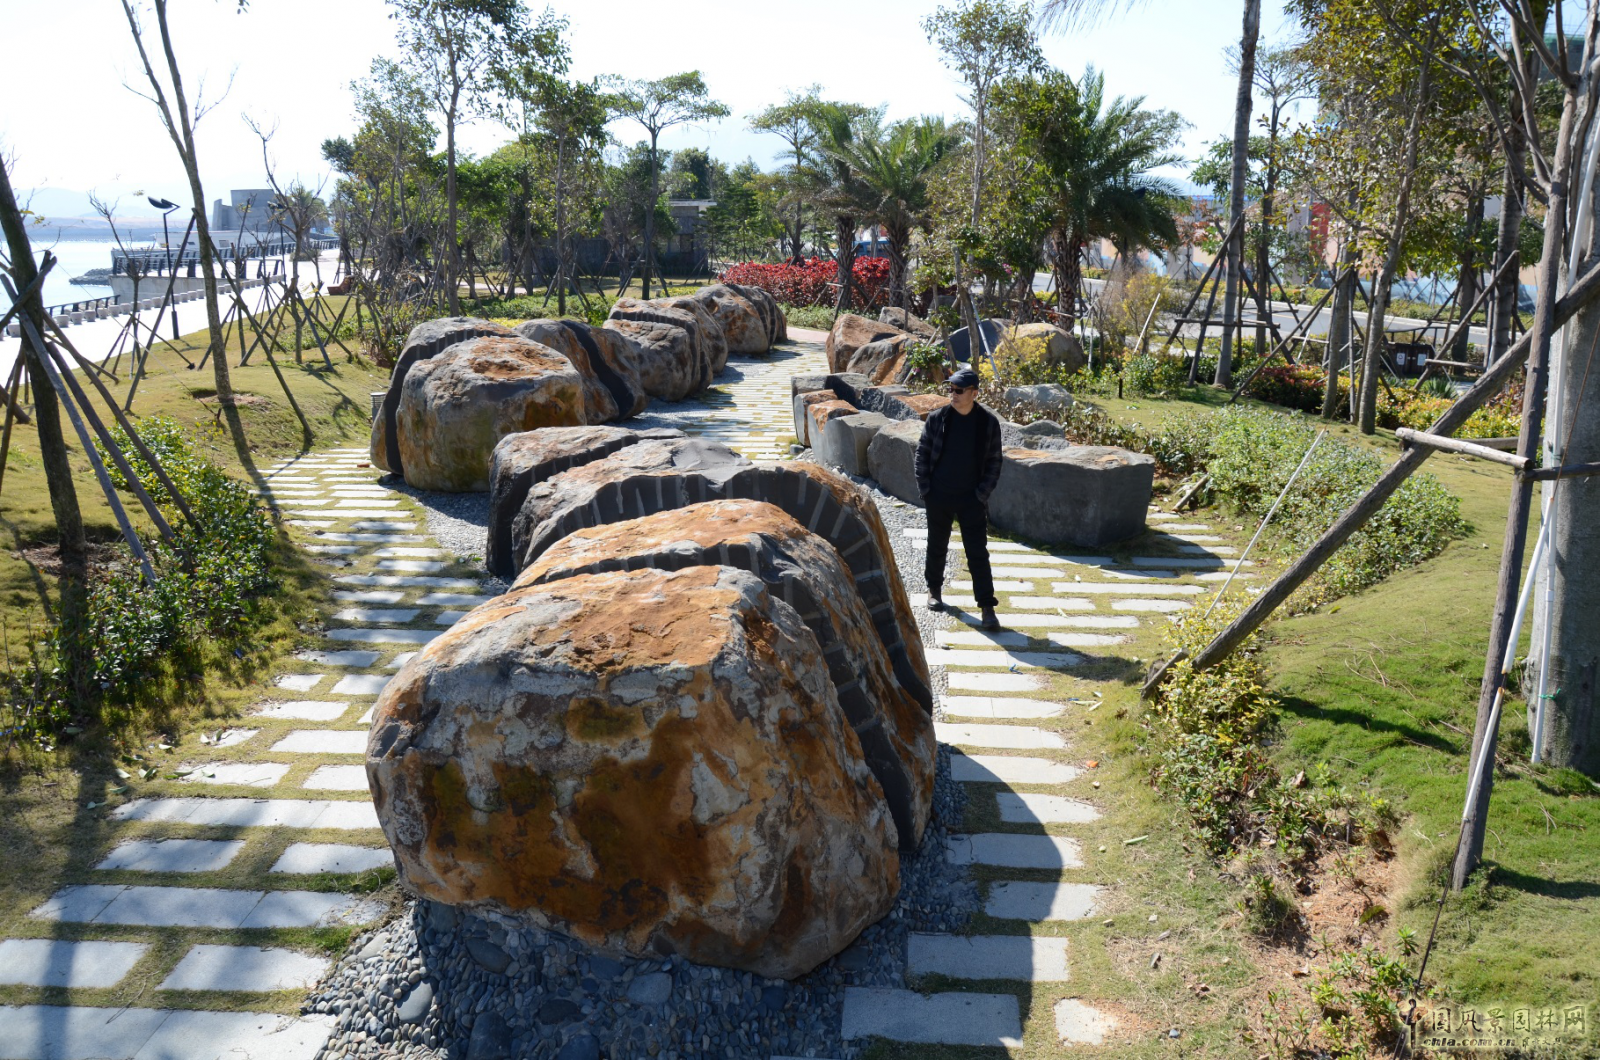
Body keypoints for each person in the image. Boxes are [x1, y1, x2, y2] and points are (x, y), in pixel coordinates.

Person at [914, 367, 1003, 631]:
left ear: (974, 393)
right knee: (936, 545)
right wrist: (926, 490)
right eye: (950, 389)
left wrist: (980, 495)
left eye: (959, 390)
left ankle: (987, 607)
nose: (952, 394)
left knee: (977, 553)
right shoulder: (937, 418)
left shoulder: (988, 423)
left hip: (971, 500)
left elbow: (995, 463)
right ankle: (934, 591)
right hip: (939, 495)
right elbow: (922, 454)